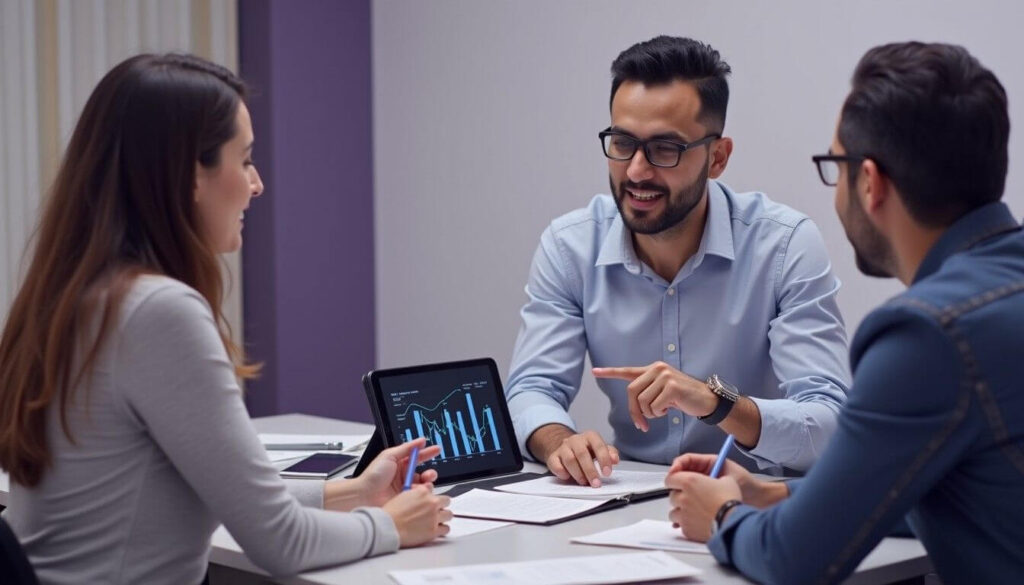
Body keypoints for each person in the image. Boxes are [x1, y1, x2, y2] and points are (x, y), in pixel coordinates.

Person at [0, 54, 451, 585]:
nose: (257, 184)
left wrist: (355, 492)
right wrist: (391, 526)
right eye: (245, 160)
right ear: (192, 174)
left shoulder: (77, 296)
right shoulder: (158, 312)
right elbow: (281, 542)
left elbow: (210, 492)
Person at [665, 41, 1024, 584]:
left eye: (835, 166)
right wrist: (777, 495)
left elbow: (794, 561)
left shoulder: (929, 336)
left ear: (870, 182)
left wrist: (721, 514)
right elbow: (956, 486)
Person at [505, 35, 851, 486]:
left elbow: (829, 424)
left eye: (665, 148)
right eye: (623, 142)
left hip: (749, 501)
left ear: (717, 158)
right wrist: (559, 441)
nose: (636, 171)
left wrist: (717, 402)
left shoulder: (785, 246)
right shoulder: (570, 246)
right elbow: (532, 389)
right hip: (623, 501)